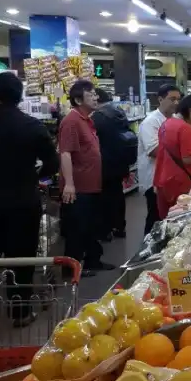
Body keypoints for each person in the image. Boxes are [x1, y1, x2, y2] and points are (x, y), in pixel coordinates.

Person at [0, 72, 58, 326]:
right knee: (21, 258)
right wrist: (36, 174)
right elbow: (52, 163)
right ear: (20, 95)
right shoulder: (32, 126)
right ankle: (20, 312)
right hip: (23, 203)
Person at [59, 80, 113, 273]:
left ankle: (92, 261)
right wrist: (69, 185)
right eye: (91, 94)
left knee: (90, 226)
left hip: (92, 185)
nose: (96, 97)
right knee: (77, 229)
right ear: (77, 99)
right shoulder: (71, 121)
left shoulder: (88, 120)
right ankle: (70, 270)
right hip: (79, 187)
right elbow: (65, 152)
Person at [92, 88, 137, 240]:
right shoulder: (119, 112)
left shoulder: (98, 116)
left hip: (104, 163)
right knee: (117, 195)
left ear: (97, 99)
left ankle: (105, 230)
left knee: (104, 198)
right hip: (120, 161)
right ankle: (120, 227)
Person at [154, 94, 191, 219]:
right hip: (179, 181)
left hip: (162, 179)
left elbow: (171, 149)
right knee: (179, 218)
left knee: (165, 219)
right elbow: (187, 159)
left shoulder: (166, 123)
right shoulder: (185, 128)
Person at [138, 85, 181, 234]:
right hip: (154, 179)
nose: (176, 103)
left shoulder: (174, 120)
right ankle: (145, 253)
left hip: (169, 178)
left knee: (168, 218)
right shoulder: (151, 122)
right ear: (160, 99)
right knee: (155, 218)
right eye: (172, 99)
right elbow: (154, 151)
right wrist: (183, 150)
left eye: (178, 99)